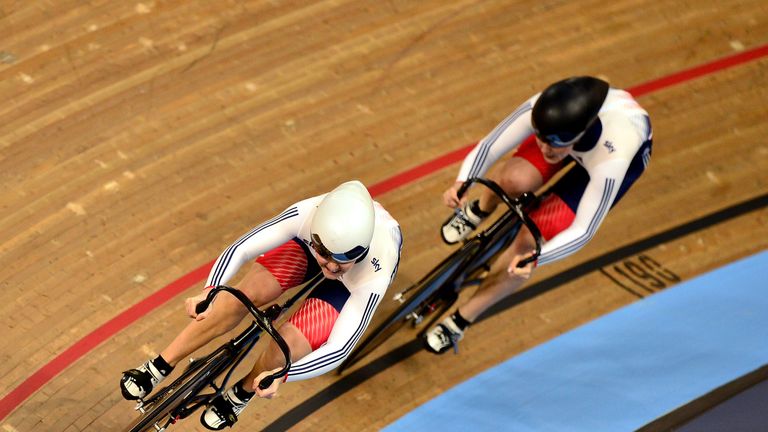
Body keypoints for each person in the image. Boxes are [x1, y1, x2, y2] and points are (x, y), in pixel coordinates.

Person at [120, 180, 402, 430]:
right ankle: (159, 364)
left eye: (338, 260)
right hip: (309, 248)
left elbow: (340, 348)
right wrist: (210, 290)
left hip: (349, 287)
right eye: (323, 254)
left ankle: (242, 392)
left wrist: (283, 374)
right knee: (241, 295)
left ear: (361, 253)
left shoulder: (377, 268)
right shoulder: (310, 212)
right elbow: (242, 248)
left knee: (288, 345)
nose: (328, 265)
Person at [424, 76, 652, 354]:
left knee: (528, 244)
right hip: (573, 135)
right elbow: (490, 145)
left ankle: (461, 319)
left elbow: (584, 229)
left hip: (608, 156)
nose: (545, 149)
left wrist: (537, 258)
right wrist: (463, 182)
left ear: (579, 134)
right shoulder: (544, 111)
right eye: (541, 139)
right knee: (512, 180)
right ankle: (479, 209)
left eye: (553, 145)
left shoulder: (613, 156)